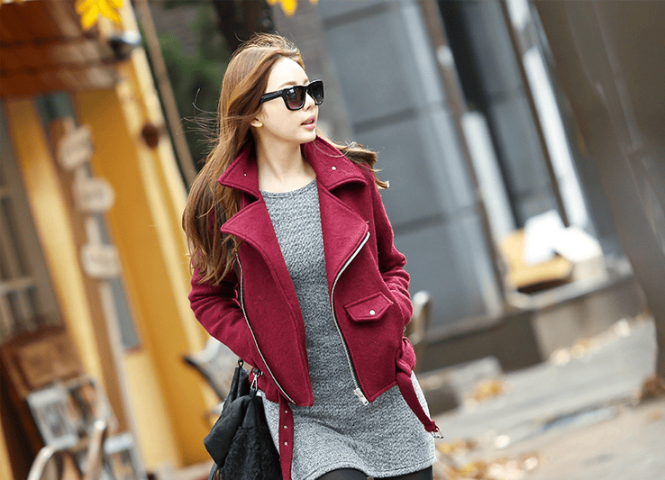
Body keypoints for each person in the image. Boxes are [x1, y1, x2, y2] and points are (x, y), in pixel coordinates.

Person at [183, 34, 439, 480]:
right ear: (254, 114)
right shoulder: (221, 202)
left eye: (311, 90)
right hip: (305, 416)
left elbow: (390, 264)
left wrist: (393, 314)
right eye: (292, 95)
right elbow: (207, 297)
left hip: (385, 392)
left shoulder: (350, 176)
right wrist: (261, 346)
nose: (309, 105)